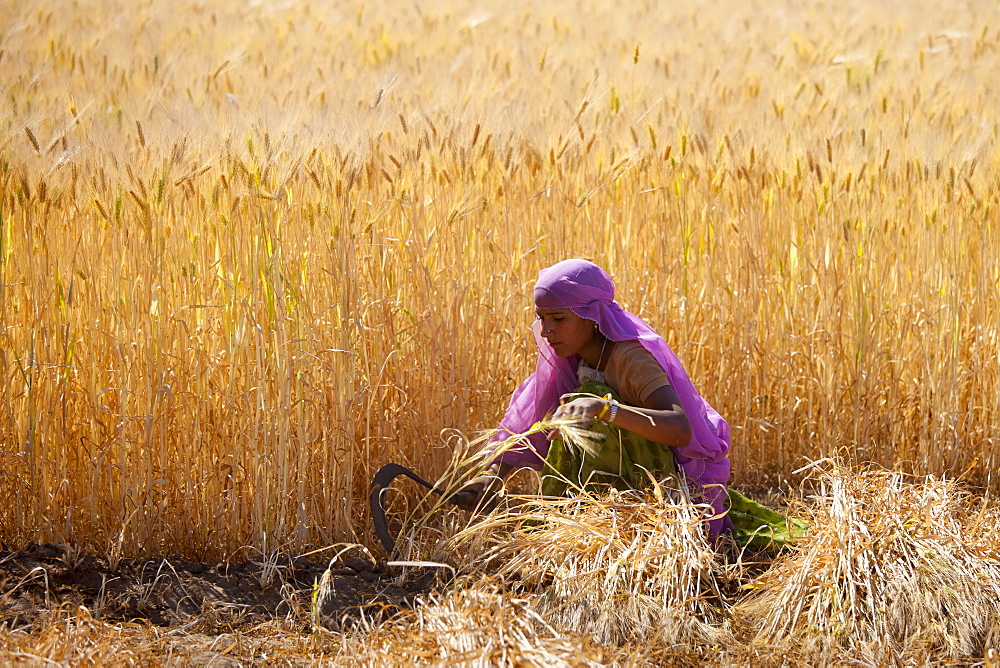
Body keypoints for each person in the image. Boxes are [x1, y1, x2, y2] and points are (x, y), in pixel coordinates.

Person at [456, 259, 802, 549]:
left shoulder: (631, 358)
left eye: (558, 318)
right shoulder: (568, 360)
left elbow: (679, 428)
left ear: (592, 316)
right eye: (541, 318)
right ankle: (578, 527)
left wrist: (604, 409)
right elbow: (528, 422)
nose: (546, 330)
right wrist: (492, 478)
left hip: (659, 492)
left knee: (583, 402)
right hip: (610, 500)